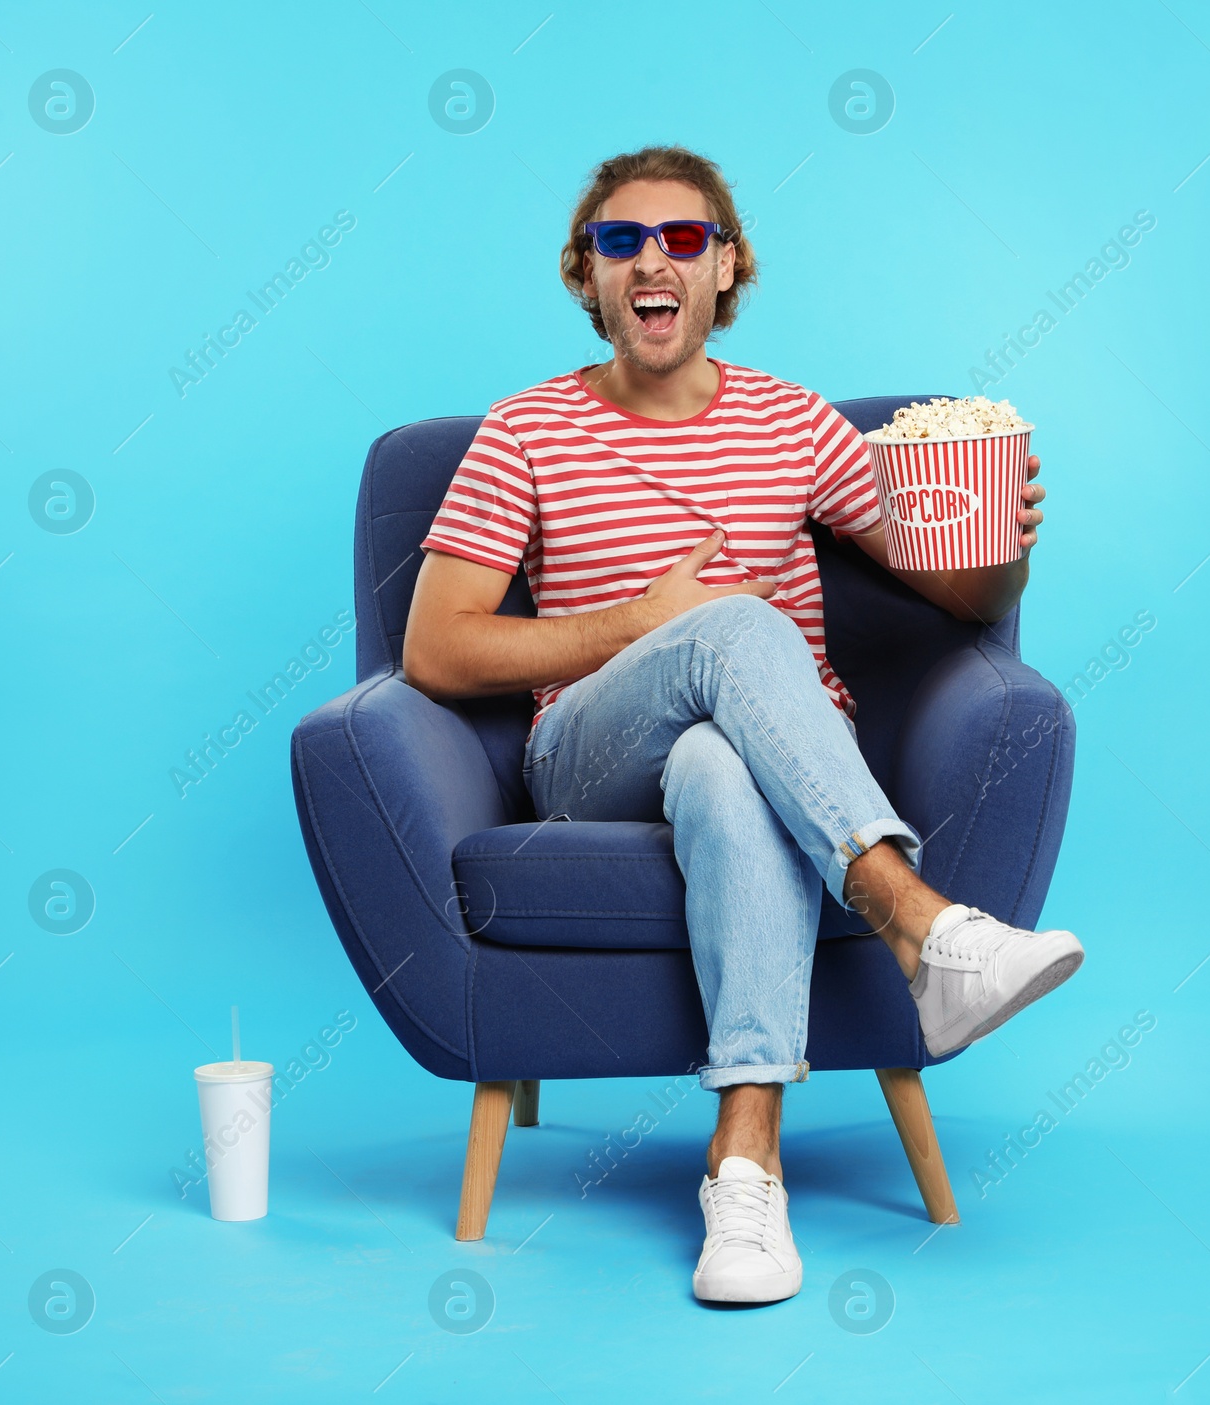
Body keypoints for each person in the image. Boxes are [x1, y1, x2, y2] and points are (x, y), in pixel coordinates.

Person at [403, 145, 1083, 1305]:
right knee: (725, 621)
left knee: (726, 767)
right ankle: (920, 925)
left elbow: (961, 597)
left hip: (766, 759)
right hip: (589, 756)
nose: (651, 260)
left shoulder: (795, 423)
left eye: (683, 238)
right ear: (587, 275)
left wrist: (1002, 539)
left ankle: (745, 1172)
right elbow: (437, 646)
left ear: (727, 268)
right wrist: (641, 622)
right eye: (621, 241)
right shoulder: (525, 430)